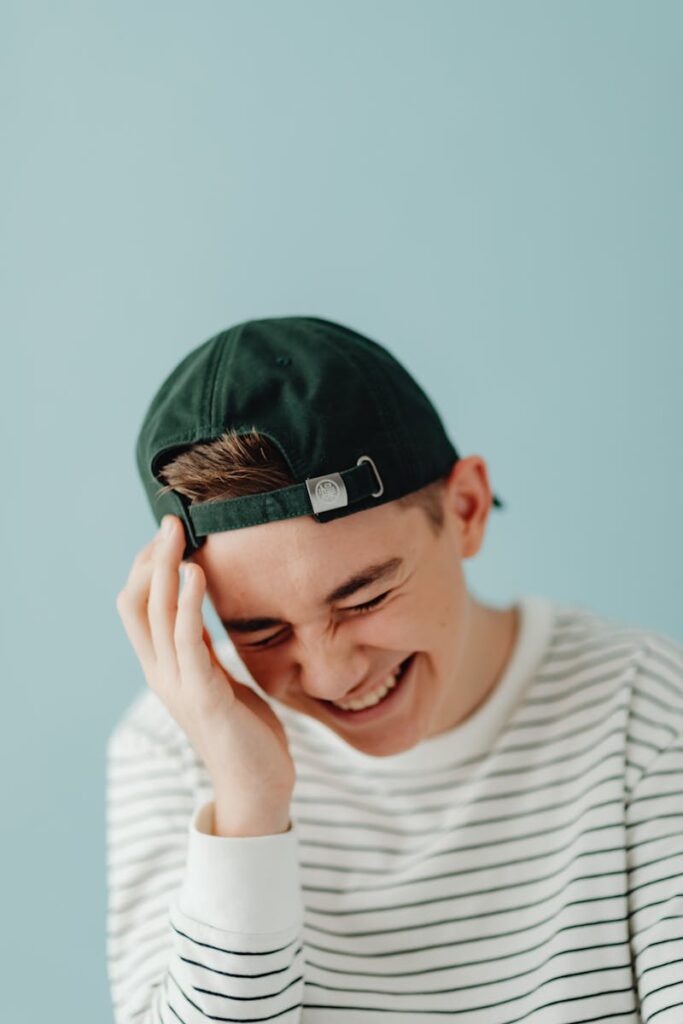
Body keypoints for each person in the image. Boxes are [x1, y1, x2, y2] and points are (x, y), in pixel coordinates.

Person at [108, 315, 683, 1024]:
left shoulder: (646, 711)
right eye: (260, 631)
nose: (329, 676)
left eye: (365, 598)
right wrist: (250, 807)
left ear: (465, 509)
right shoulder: (170, 751)